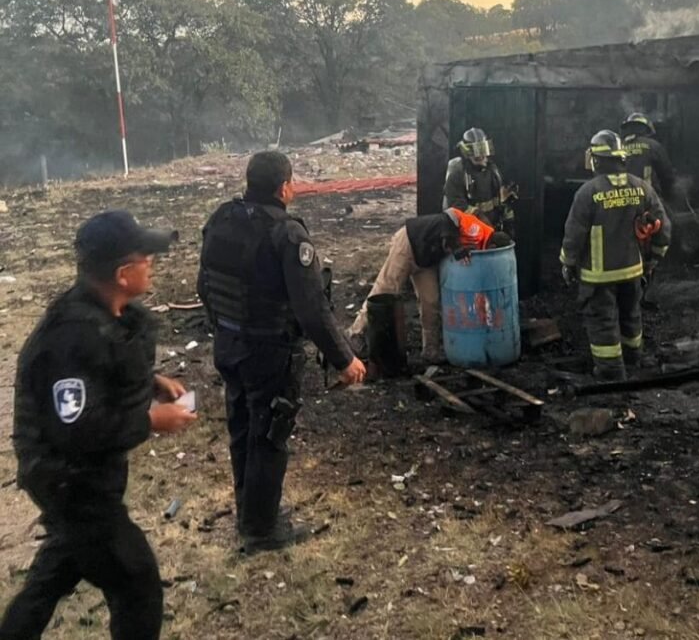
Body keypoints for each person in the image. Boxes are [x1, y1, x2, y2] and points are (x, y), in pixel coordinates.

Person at [0, 211, 197, 639]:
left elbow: (104, 371)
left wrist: (151, 383)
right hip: (68, 480)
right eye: (145, 258)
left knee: (59, 567)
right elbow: (76, 429)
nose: (152, 264)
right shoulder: (72, 336)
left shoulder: (106, 314)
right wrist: (150, 419)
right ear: (123, 274)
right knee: (136, 581)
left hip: (83, 476)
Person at [197, 151, 366, 554]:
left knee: (242, 428)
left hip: (229, 343)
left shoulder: (222, 218)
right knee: (270, 434)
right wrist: (344, 359)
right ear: (284, 187)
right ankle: (261, 530)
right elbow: (311, 308)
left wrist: (223, 327)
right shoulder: (287, 235)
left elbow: (204, 285)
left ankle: (249, 512)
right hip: (269, 350)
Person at [560, 130, 672, 381]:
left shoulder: (588, 192)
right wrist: (654, 258)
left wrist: (567, 263)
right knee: (630, 315)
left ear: (597, 160)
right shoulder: (642, 187)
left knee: (603, 321)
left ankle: (611, 370)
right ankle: (633, 360)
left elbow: (574, 235)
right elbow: (663, 226)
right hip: (633, 271)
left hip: (599, 277)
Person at [348, 208, 512, 364]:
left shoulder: (482, 238)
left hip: (426, 258)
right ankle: (355, 332)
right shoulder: (477, 231)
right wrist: (456, 247)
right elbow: (450, 215)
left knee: (430, 302)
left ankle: (430, 350)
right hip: (409, 242)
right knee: (385, 290)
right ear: (493, 246)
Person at [443, 127, 516, 235]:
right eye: (476, 151)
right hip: (469, 235)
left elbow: (502, 201)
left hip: (492, 231)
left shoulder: (493, 171)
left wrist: (509, 225)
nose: (481, 155)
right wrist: (482, 220)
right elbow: (458, 207)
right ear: (466, 152)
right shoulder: (457, 175)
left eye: (483, 149)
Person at [621, 112, 678, 201]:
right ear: (647, 128)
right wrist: (668, 196)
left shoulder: (618, 147)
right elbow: (667, 175)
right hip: (648, 199)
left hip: (622, 200)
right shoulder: (653, 146)